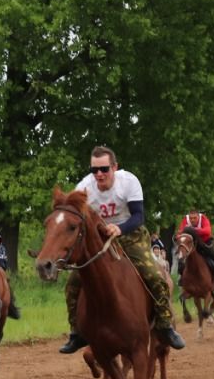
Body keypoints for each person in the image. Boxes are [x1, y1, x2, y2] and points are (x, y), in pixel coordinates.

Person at [61, 146, 183, 353]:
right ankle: (77, 332)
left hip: (130, 236)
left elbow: (138, 216)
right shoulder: (83, 188)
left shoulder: (128, 182)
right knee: (72, 284)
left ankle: (164, 325)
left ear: (114, 167)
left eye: (104, 169)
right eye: (94, 170)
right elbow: (74, 217)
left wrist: (119, 228)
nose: (99, 174)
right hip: (100, 240)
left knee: (154, 276)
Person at [175, 209, 214, 286]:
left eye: (195, 218)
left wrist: (192, 230)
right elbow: (180, 231)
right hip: (192, 243)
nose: (192, 220)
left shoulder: (204, 219)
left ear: (198, 216)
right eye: (191, 218)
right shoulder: (185, 219)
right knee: (181, 256)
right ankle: (181, 276)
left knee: (213, 255)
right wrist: (179, 236)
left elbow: (207, 231)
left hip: (205, 242)